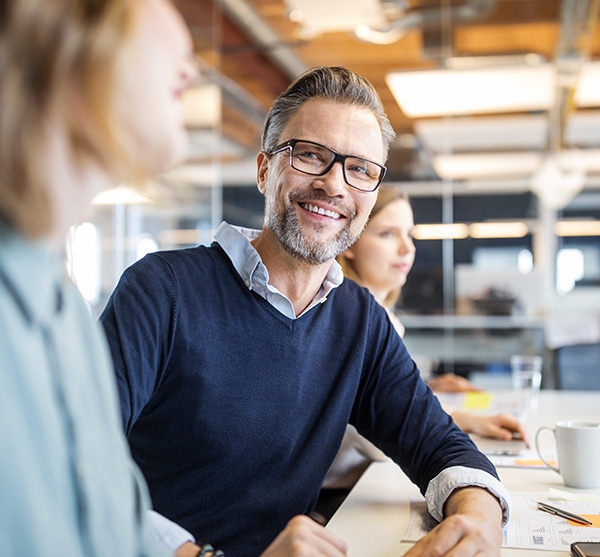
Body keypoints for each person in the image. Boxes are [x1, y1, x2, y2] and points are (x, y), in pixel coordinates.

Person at [100, 66, 511, 557]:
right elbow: (75, 466)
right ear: (263, 170)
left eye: (360, 169)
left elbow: (439, 443)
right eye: (310, 155)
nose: (334, 184)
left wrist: (479, 520)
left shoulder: (359, 320)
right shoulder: (160, 289)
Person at [0, 1, 341, 556]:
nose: (192, 63)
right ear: (63, 28)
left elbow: (112, 520)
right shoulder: (144, 290)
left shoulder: (53, 300)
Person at [321, 187, 528, 492]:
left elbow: (375, 397)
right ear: (349, 241)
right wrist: (462, 419)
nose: (408, 248)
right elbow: (380, 438)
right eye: (388, 234)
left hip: (359, 484)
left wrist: (426, 388)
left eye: (410, 234)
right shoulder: (346, 319)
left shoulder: (385, 316)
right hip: (333, 496)